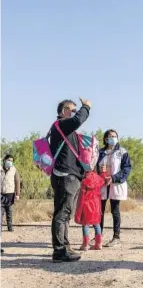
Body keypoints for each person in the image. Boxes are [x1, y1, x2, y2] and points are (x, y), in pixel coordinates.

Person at [50, 98, 91, 263]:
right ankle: (59, 251)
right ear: (62, 111)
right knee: (62, 214)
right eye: (70, 110)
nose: (74, 113)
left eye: (75, 110)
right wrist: (86, 107)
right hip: (65, 176)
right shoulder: (60, 124)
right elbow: (77, 120)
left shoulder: (67, 129)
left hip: (71, 176)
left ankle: (64, 247)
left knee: (65, 214)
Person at [97, 129, 131, 247]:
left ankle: (116, 238)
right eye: (110, 136)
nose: (112, 138)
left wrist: (114, 178)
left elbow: (126, 169)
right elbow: (94, 167)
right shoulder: (100, 152)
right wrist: (100, 171)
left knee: (115, 211)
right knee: (99, 211)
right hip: (102, 185)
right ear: (105, 139)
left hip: (115, 185)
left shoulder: (122, 152)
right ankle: (98, 236)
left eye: (114, 136)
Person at [75, 170, 105, 251]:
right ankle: (98, 243)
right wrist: (103, 172)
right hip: (96, 204)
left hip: (86, 204)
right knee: (97, 224)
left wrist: (78, 209)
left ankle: (85, 245)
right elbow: (103, 182)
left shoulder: (84, 181)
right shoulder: (98, 179)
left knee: (85, 224)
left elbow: (81, 197)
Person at [1, 155, 21, 232]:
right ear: (4, 160)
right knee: (1, 211)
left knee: (9, 211)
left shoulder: (14, 170)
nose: (10, 162)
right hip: (1, 193)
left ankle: (10, 227)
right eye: (8, 160)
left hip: (10, 193)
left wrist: (17, 194)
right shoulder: (0, 168)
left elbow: (17, 181)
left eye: (11, 161)